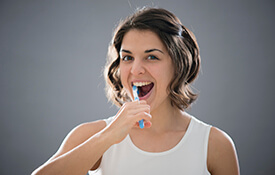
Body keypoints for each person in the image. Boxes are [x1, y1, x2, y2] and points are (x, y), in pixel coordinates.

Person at [32, 7, 240, 175]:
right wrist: (108, 136)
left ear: (178, 65)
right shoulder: (93, 135)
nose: (135, 70)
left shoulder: (214, 144)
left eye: (152, 57)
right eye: (127, 58)